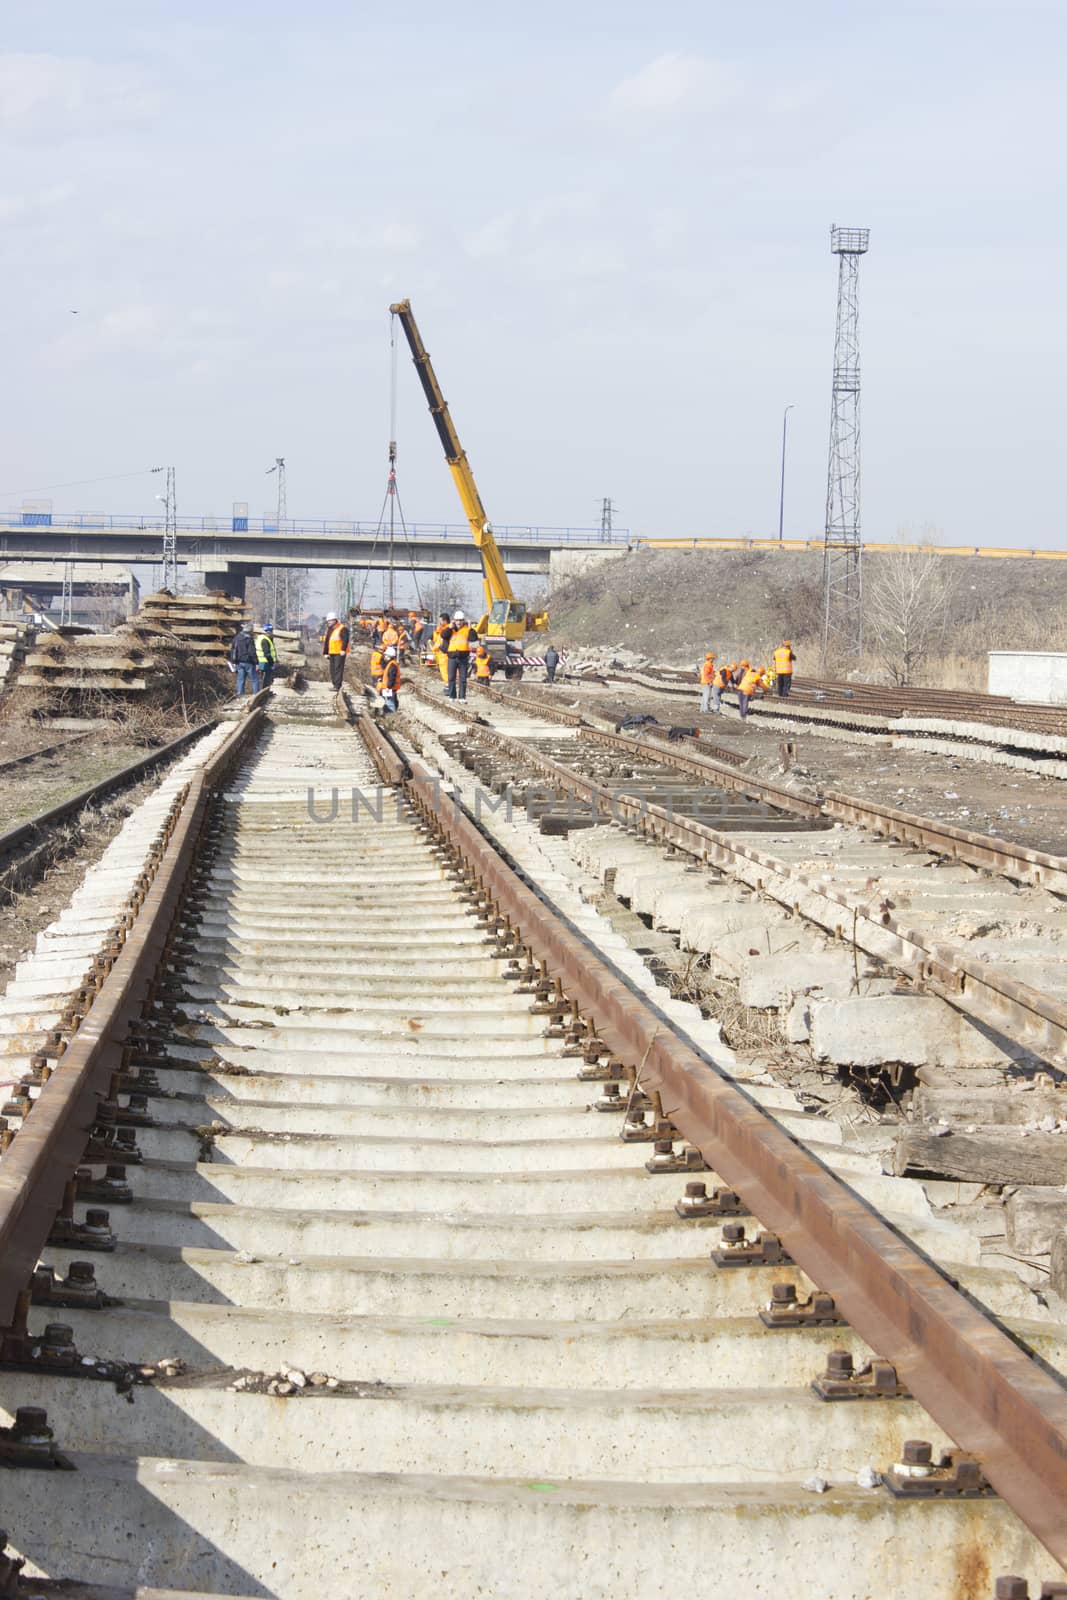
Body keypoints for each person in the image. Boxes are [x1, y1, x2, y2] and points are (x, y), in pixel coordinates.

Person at [446, 609, 477, 701]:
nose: (458, 622)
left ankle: (462, 697)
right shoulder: (450, 630)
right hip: (452, 657)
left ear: (463, 621)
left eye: (460, 620)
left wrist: (471, 628)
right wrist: (449, 628)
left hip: (463, 657)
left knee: (463, 679)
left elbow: (473, 638)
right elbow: (444, 635)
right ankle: (452, 696)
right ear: (454, 621)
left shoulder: (467, 630)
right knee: (451, 678)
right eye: (457, 620)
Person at [229, 622, 260, 696]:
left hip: (239, 662)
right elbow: (252, 652)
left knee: (240, 680)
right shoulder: (249, 638)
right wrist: (256, 663)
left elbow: (233, 650)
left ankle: (240, 696)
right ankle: (256, 695)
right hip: (248, 662)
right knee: (255, 679)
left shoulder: (236, 638)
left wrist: (233, 661)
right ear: (250, 630)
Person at [322, 610, 350, 690]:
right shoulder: (329, 629)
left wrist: (343, 650)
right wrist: (325, 653)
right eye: (328, 621)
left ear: (334, 620)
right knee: (332, 669)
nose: (329, 622)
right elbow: (327, 641)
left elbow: (345, 640)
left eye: (330, 620)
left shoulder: (342, 628)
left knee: (338, 669)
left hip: (339, 652)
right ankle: (335, 684)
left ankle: (337, 686)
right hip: (332, 652)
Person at [256, 623, 278, 690]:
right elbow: (267, 653)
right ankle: (264, 690)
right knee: (266, 678)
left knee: (264, 678)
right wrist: (271, 663)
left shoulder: (263, 638)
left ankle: (264, 690)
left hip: (264, 661)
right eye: (271, 631)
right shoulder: (265, 640)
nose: (271, 632)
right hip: (266, 662)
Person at [380, 646, 401, 713]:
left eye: (386, 656)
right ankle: (390, 713)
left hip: (390, 688)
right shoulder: (390, 664)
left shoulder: (392, 665)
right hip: (390, 687)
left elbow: (392, 677)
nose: (385, 657)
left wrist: (388, 687)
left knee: (390, 703)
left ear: (390, 656)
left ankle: (392, 714)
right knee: (389, 701)